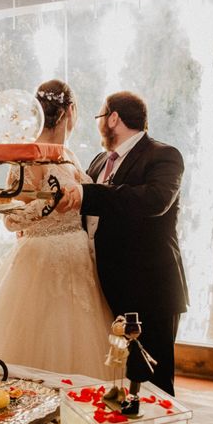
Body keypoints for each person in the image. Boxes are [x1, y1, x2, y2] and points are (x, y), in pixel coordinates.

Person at [0, 79, 114, 379]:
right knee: (42, 334)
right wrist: (48, 206)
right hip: (42, 259)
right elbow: (11, 220)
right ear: (69, 111)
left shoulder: (68, 154)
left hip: (79, 259)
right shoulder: (26, 156)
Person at [57, 91, 189, 396]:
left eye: (100, 117)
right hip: (105, 286)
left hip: (148, 288)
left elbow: (155, 201)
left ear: (113, 118)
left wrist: (88, 194)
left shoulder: (164, 155)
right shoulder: (100, 160)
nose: (99, 124)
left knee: (153, 377)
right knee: (117, 377)